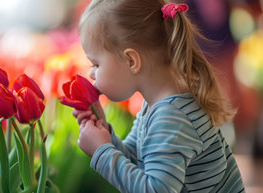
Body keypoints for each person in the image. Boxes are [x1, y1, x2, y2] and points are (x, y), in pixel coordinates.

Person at [73, 0, 246, 192]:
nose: (91, 74)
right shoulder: (161, 105)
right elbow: (138, 160)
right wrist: (104, 133)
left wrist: (101, 151)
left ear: (131, 60)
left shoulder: (171, 117)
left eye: (96, 64)